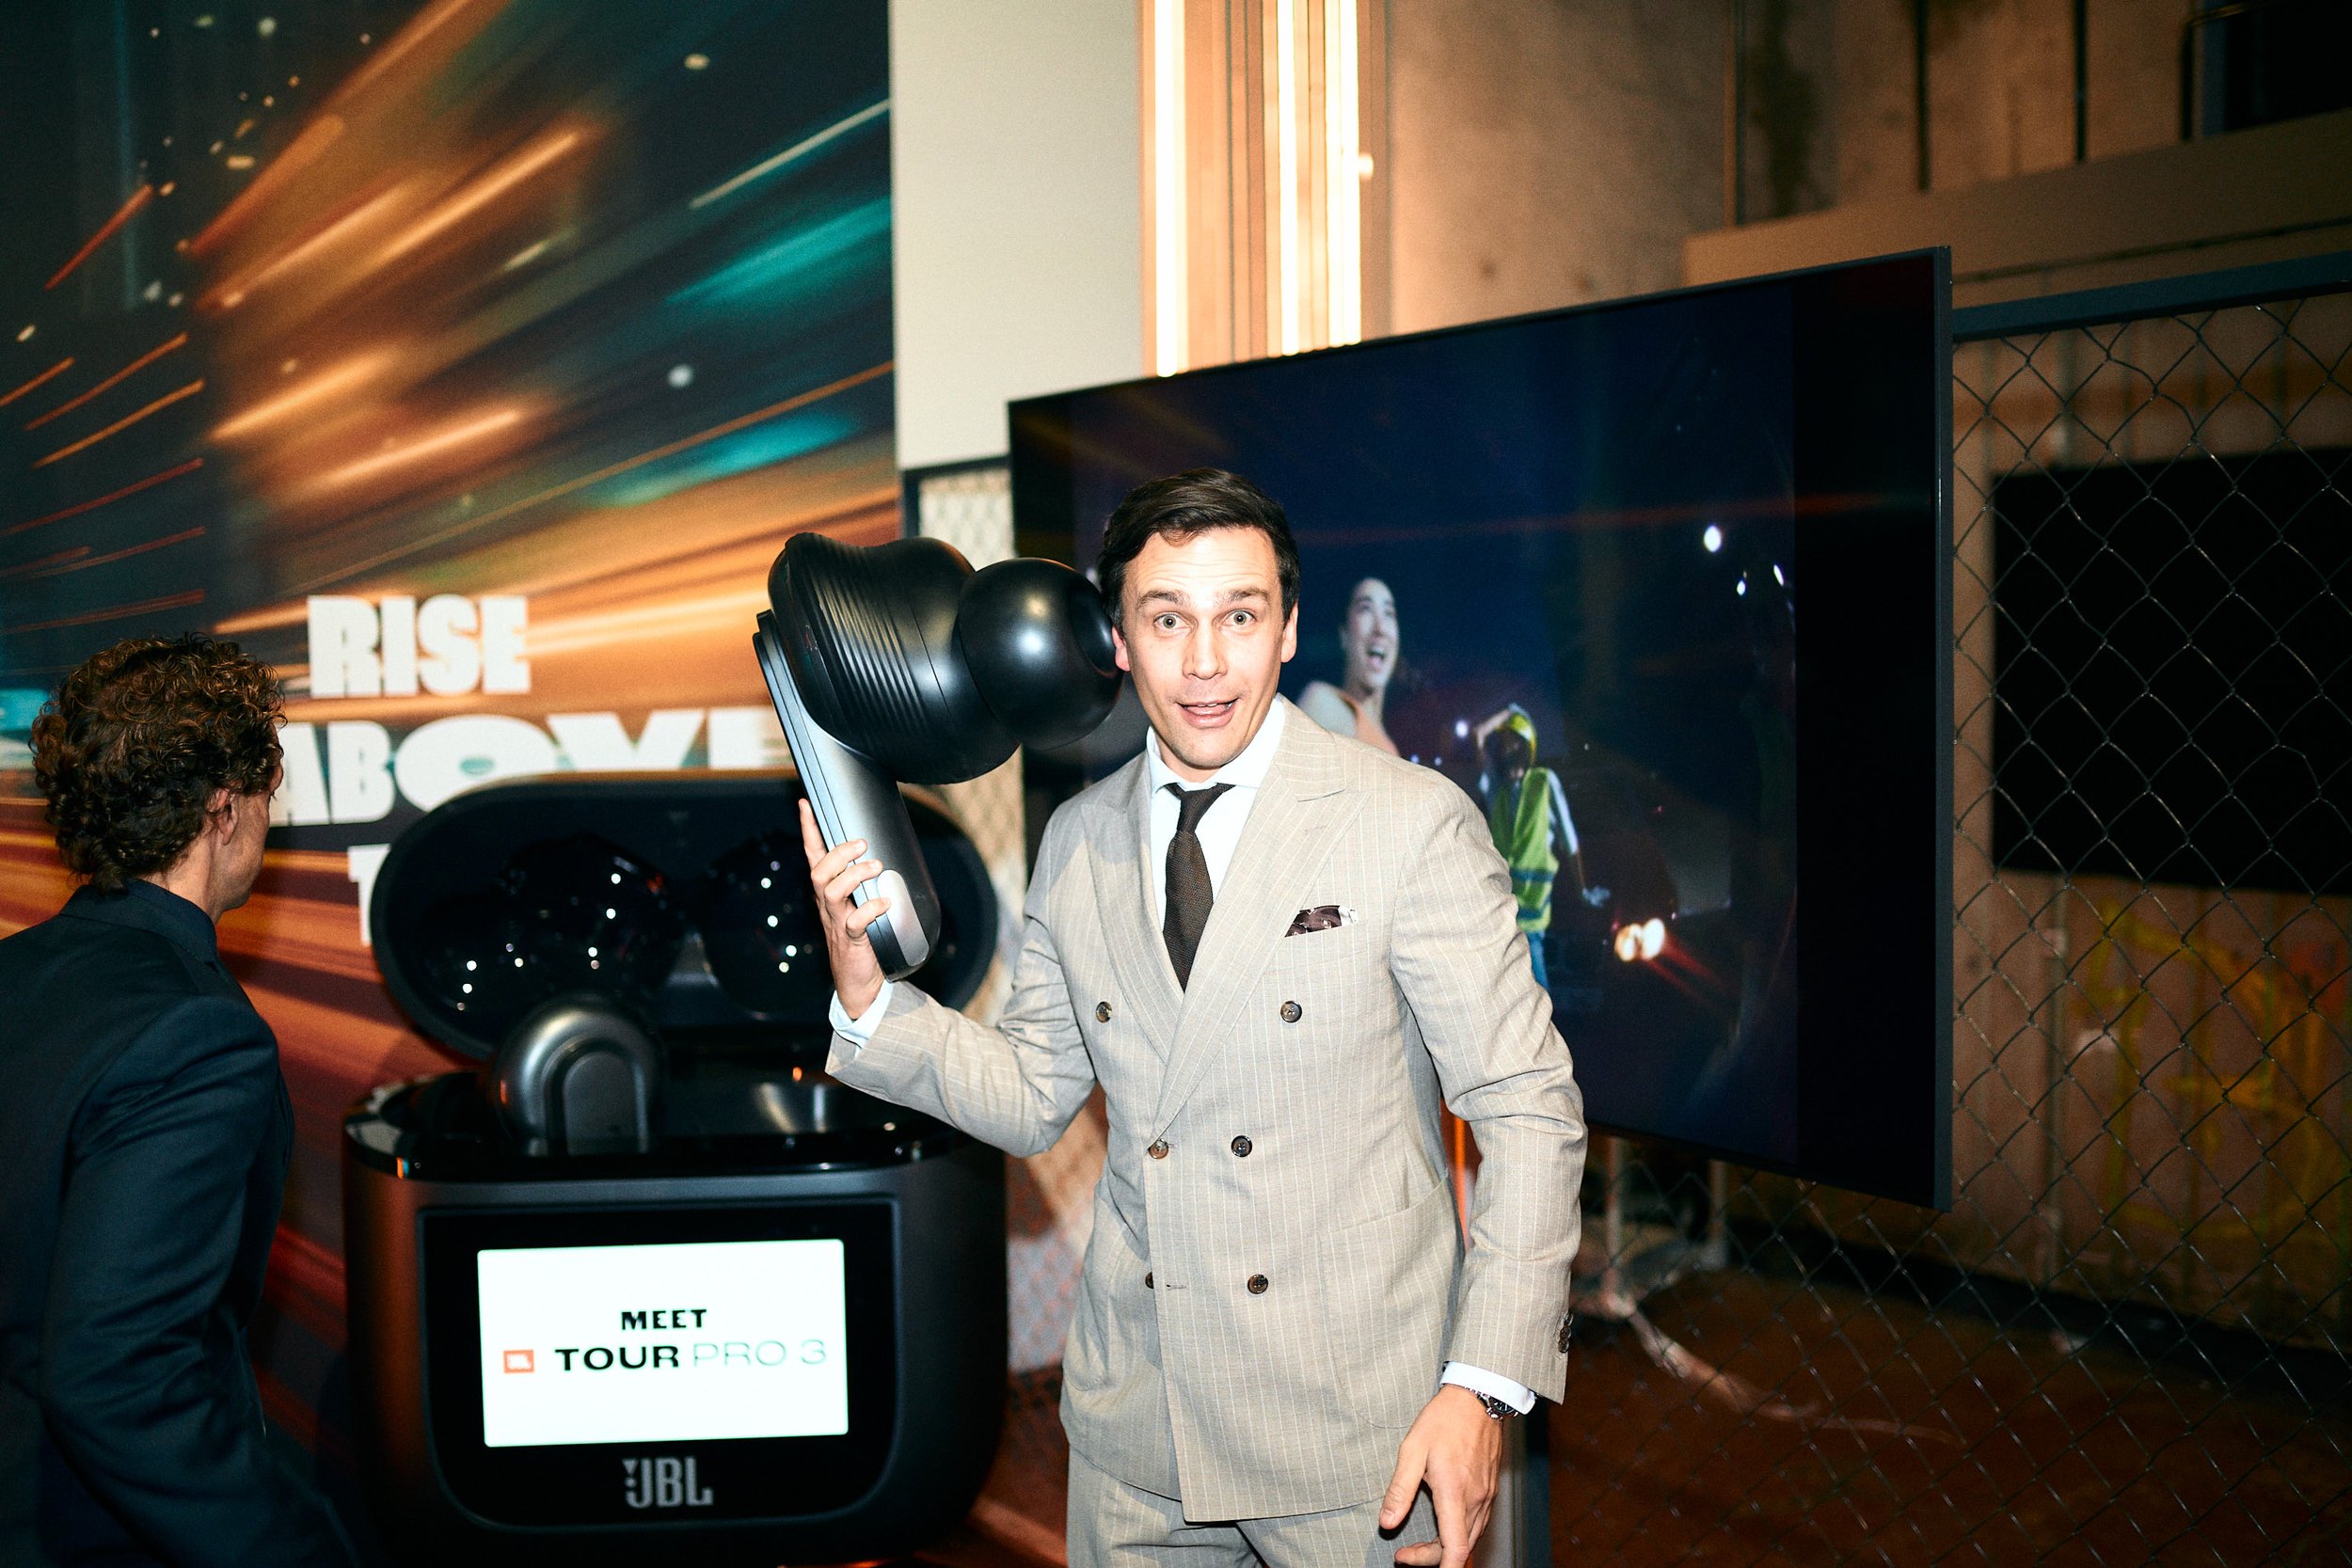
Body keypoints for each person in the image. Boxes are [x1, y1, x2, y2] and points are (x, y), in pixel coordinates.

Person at [803, 469, 1586, 1567]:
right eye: (1168, 619)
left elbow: (1527, 1107)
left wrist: (1481, 1385)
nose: (1205, 661)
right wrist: (869, 999)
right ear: (1118, 638)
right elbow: (1033, 1091)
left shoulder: (1407, 822)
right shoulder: (1078, 838)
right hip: (1140, 1433)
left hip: (1363, 1437)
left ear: (1289, 628)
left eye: (1240, 616)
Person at [0, 636, 357, 1568]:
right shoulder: (197, 1032)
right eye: (269, 794)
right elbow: (119, 1373)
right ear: (224, 807)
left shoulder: (14, 976)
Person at [1470, 705, 1599, 992]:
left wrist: (1583, 890)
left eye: (1514, 741)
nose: (1507, 748)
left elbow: (1570, 842)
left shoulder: (1544, 782)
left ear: (1527, 747)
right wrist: (1507, 713)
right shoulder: (1497, 791)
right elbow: (1477, 735)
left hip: (1529, 926)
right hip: (1499, 920)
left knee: (1538, 999)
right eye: (1504, 743)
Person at [1297, 575, 1402, 754]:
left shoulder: (1386, 740)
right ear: (1344, 634)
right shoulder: (1325, 703)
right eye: (1365, 609)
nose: (1380, 629)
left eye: (1389, 613)